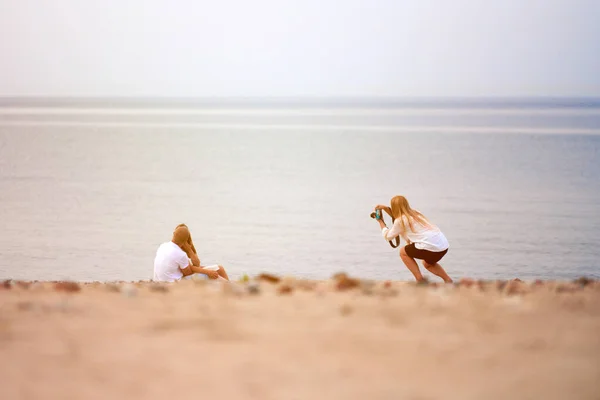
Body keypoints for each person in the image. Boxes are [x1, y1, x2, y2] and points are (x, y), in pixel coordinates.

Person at [374, 196, 452, 283]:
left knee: (403, 252)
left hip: (430, 247)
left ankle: (420, 280)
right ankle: (448, 280)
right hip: (443, 246)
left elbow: (388, 236)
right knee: (428, 264)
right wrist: (385, 208)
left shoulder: (400, 221)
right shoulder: (416, 213)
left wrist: (380, 221)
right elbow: (399, 214)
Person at [153, 224, 230, 282]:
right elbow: (188, 273)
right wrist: (208, 272)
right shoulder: (180, 254)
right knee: (215, 275)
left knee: (219, 269)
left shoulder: (163, 246)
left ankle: (228, 287)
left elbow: (194, 266)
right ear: (185, 240)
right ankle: (230, 290)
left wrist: (189, 249)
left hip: (161, 281)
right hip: (174, 284)